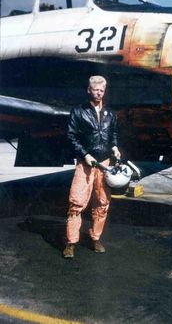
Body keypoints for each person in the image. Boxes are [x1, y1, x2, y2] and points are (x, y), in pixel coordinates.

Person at [63, 75, 121, 258]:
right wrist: (85, 155)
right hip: (85, 163)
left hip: (104, 163)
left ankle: (95, 238)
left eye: (101, 90)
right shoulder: (78, 111)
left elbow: (113, 134)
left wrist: (115, 147)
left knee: (102, 203)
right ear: (89, 90)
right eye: (95, 89)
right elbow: (71, 136)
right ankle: (71, 243)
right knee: (76, 203)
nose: (98, 93)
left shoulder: (110, 114)